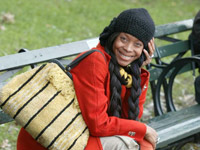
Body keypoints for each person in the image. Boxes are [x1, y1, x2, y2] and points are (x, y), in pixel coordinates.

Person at [17, 8, 158, 150]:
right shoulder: (95, 61)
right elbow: (98, 125)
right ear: (114, 36)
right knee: (130, 145)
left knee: (144, 143)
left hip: (81, 135)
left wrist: (138, 71)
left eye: (137, 44)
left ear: (144, 50)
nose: (128, 48)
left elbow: (130, 118)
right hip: (57, 139)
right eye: (124, 38)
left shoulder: (123, 70)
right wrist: (143, 129)